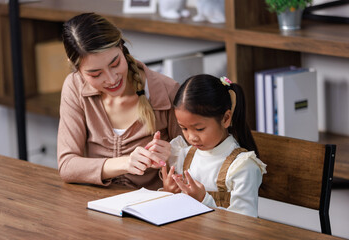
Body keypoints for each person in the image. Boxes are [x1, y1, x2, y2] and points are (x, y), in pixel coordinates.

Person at [57, 13, 182, 190]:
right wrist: (125, 163)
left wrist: (172, 156)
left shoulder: (167, 92)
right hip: (94, 206)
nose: (111, 79)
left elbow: (196, 164)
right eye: (95, 74)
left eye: (115, 63)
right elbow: (67, 166)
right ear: (76, 68)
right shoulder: (75, 86)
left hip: (152, 209)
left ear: (121, 47)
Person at [161, 74, 267, 217]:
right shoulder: (184, 156)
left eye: (199, 129)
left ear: (225, 119)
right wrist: (169, 193)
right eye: (184, 128)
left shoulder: (242, 167)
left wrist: (204, 200)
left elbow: (244, 223)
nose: (191, 137)